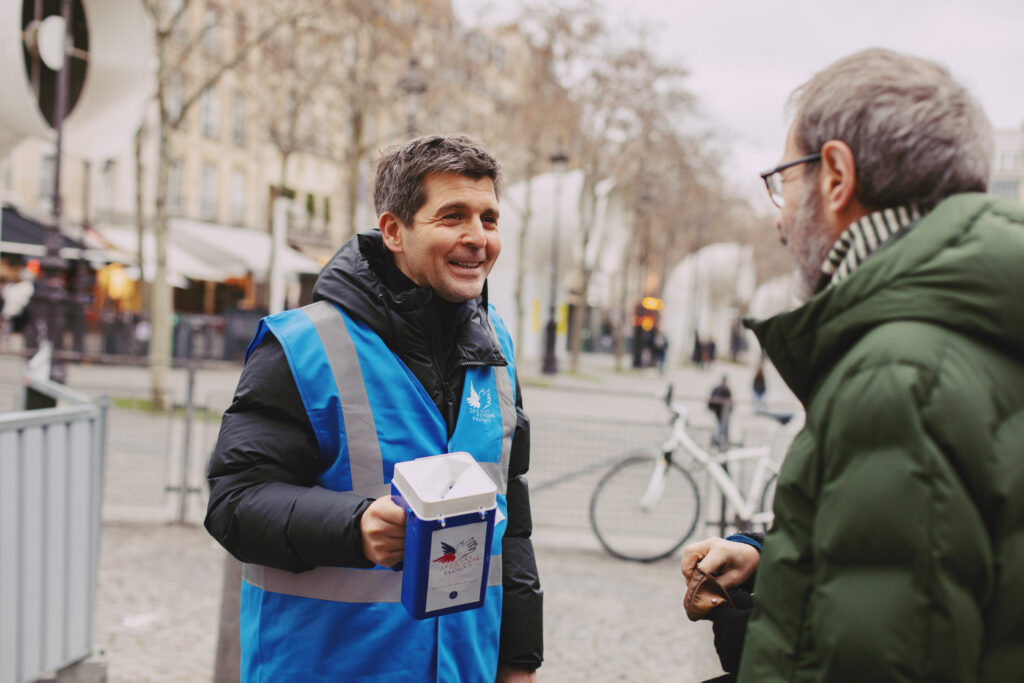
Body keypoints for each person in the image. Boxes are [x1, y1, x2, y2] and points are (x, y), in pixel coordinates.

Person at [682, 48, 1024, 682]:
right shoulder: (968, 320)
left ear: (835, 176)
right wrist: (777, 562)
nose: (782, 220)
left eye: (783, 181)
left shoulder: (901, 374)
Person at [205, 135, 542, 682]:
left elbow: (513, 526)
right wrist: (355, 526)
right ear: (393, 230)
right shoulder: (302, 345)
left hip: (464, 669)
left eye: (489, 218)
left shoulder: (495, 346)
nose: (477, 238)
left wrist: (518, 664)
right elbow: (234, 502)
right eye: (453, 215)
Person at [707, 375, 731, 450]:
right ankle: (716, 440)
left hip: (723, 412)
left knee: (720, 426)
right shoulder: (719, 389)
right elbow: (712, 399)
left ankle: (718, 440)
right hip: (718, 411)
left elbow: (730, 401)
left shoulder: (726, 390)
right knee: (718, 426)